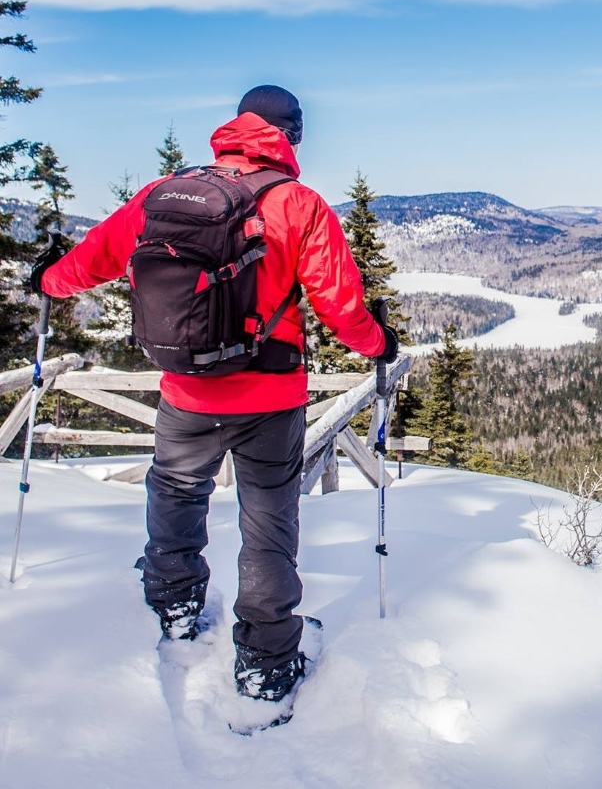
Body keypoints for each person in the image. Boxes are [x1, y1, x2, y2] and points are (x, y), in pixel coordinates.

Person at [31, 84, 398, 708]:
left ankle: (172, 607)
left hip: (186, 389)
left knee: (175, 493)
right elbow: (341, 308)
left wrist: (47, 278)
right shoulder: (298, 205)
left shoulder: (163, 193)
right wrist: (379, 344)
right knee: (268, 524)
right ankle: (266, 660)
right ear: (291, 136)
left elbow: (91, 260)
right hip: (270, 394)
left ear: (237, 127)